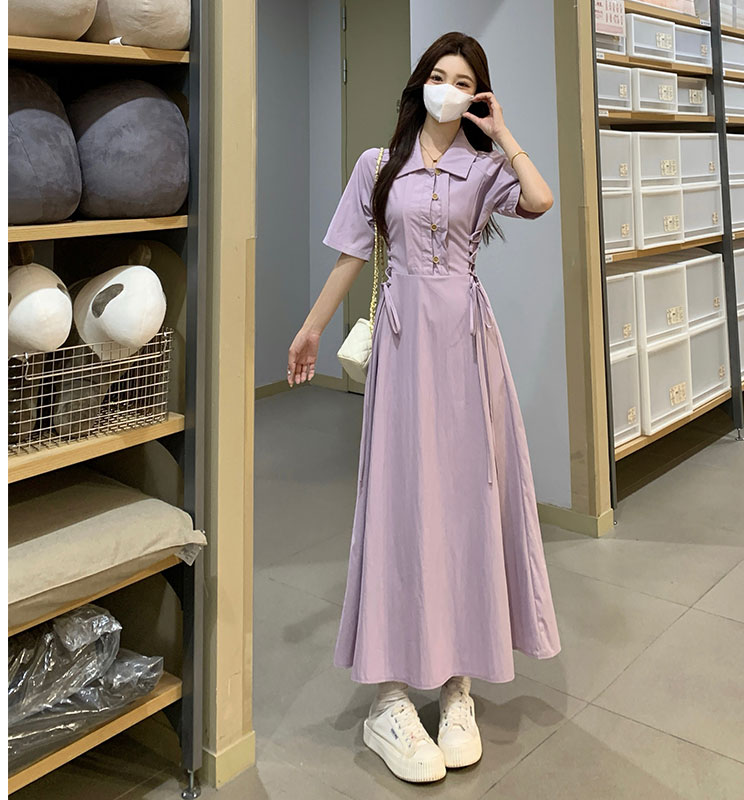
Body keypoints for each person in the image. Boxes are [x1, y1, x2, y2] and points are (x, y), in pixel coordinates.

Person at [287, 31, 561, 783]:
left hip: (468, 349)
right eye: (438, 76)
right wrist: (312, 328)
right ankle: (388, 697)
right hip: (405, 350)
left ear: (477, 95)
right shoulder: (378, 165)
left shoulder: (485, 168)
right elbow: (352, 253)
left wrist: (502, 131)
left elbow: (541, 200)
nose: (448, 88)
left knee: (467, 503)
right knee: (400, 503)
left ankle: (458, 686)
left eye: (463, 81)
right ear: (420, 85)